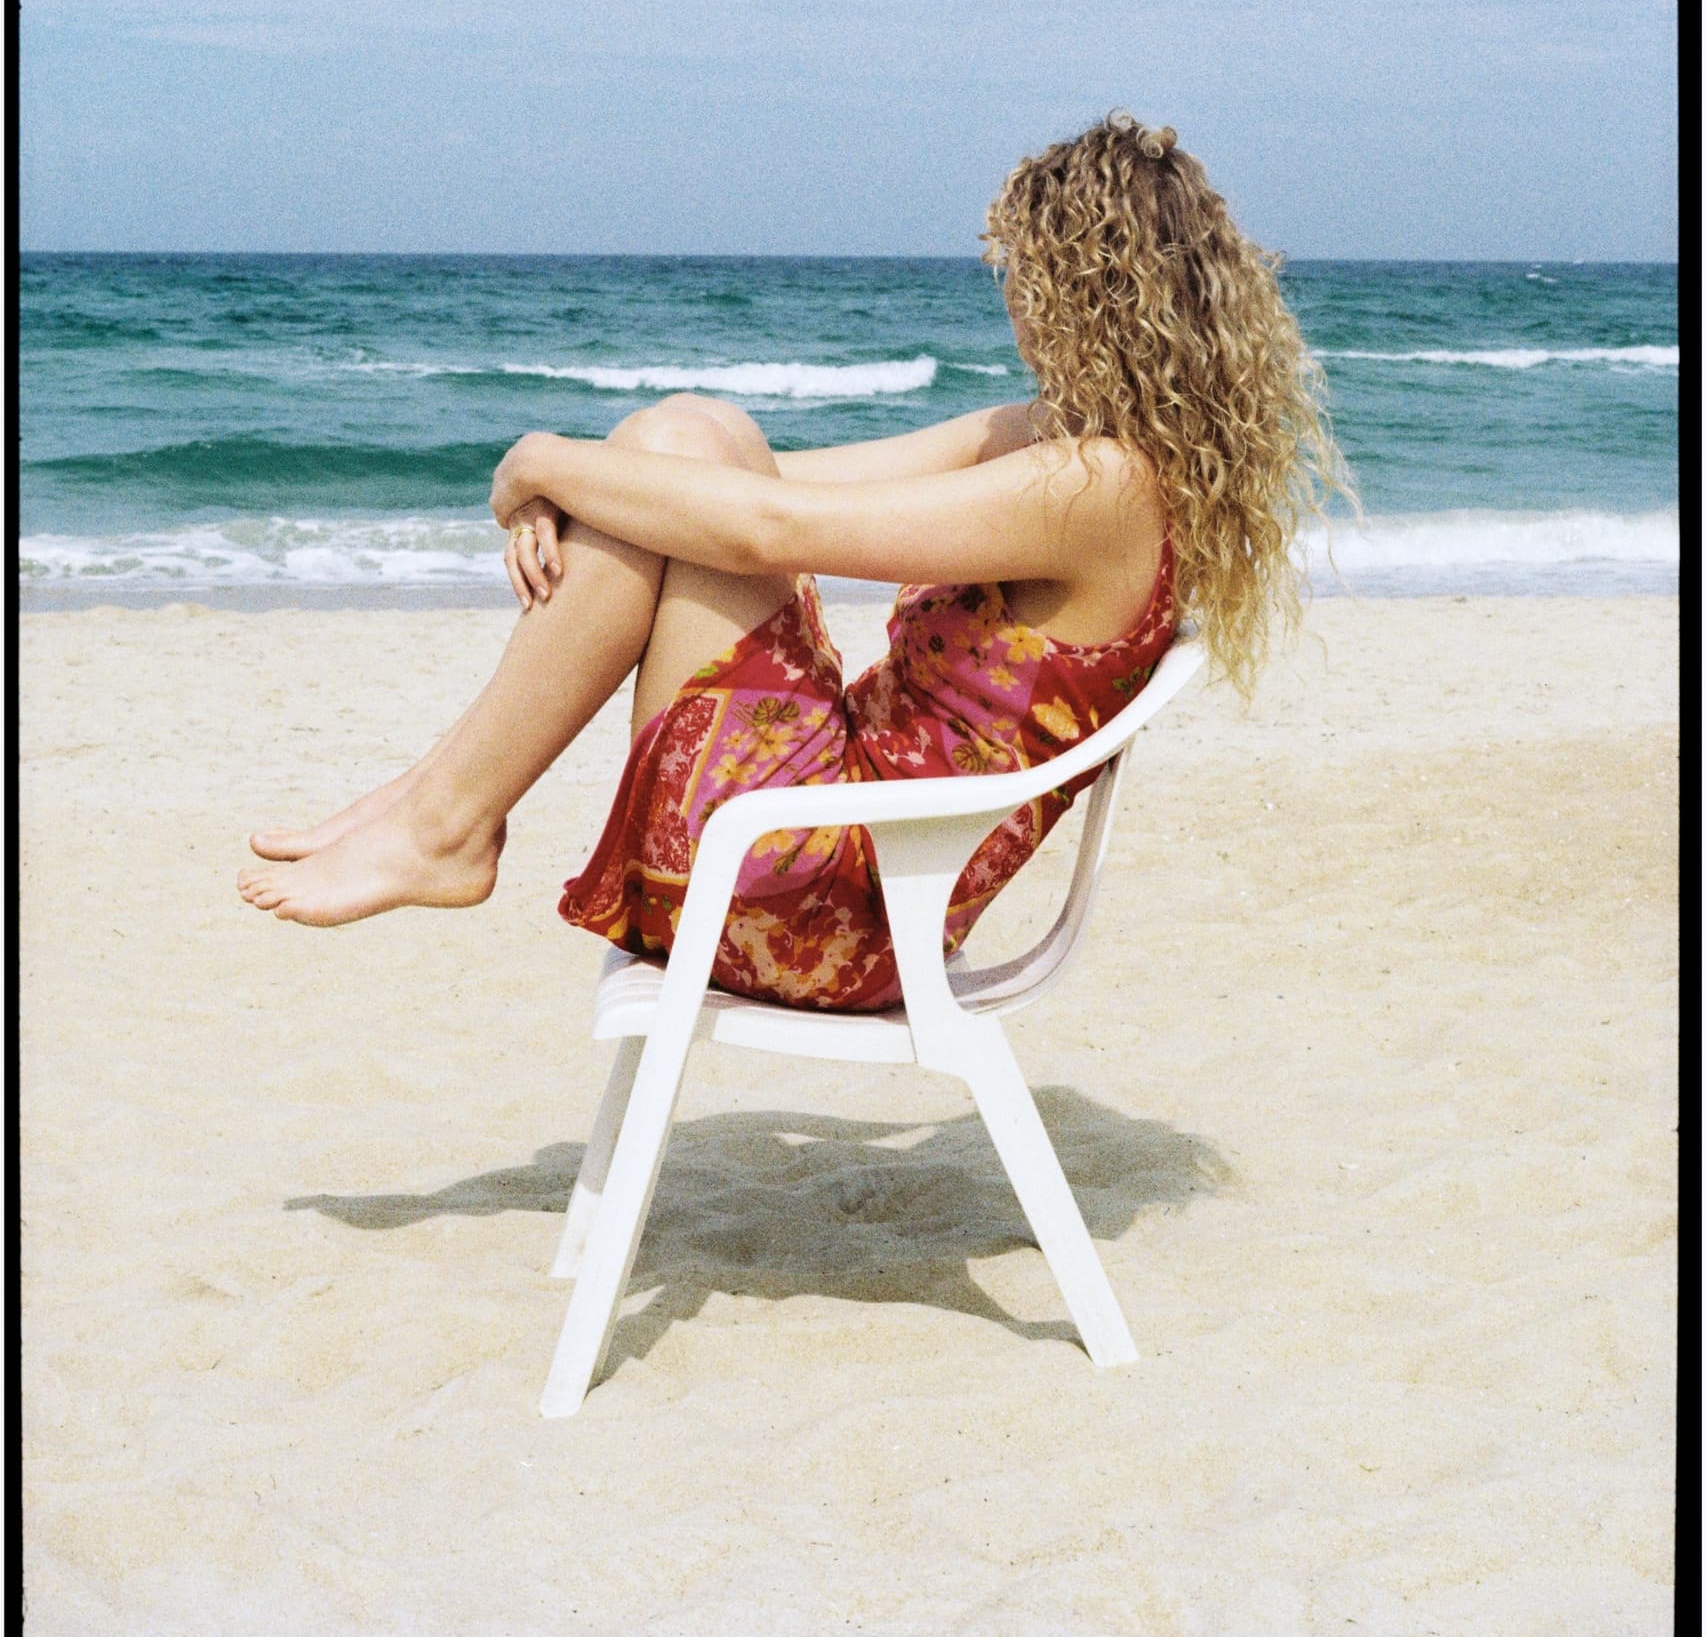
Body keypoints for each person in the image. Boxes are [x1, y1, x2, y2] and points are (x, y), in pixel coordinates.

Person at [239, 113, 1349, 1010]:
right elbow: (771, 479)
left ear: (1085, 288)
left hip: (835, 903)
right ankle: (438, 806)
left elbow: (762, 534)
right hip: (843, 844)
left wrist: (536, 461)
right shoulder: (1054, 446)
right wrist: (580, 484)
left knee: (677, 463)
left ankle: (444, 818)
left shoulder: (1096, 489)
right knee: (684, 436)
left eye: (1023, 269)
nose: (1008, 296)